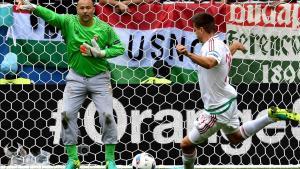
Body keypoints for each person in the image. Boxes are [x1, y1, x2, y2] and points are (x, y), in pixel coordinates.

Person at [176, 13, 300, 169]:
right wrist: (233, 47)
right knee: (235, 138)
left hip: (217, 109)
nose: (194, 33)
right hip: (228, 102)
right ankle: (271, 115)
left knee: (186, 144)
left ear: (201, 29)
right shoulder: (219, 45)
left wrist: (188, 53)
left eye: (194, 30)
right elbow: (221, 62)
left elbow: (210, 63)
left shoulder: (211, 46)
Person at [17, 0, 125, 169]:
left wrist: (102, 52)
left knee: (107, 116)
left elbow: (119, 48)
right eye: (81, 8)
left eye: (88, 8)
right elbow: (52, 16)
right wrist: (35, 8)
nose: (85, 11)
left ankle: (110, 160)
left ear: (94, 8)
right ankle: (73, 160)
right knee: (66, 115)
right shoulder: (68, 21)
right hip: (76, 77)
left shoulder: (104, 28)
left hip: (100, 78)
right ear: (77, 9)